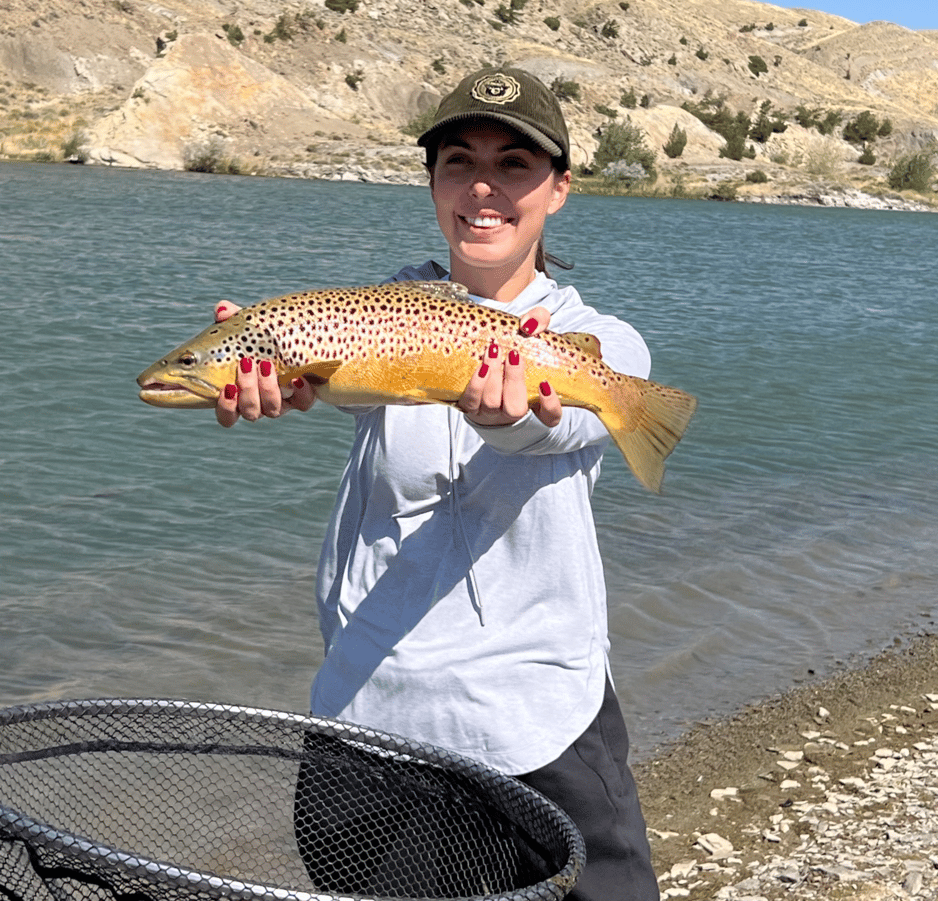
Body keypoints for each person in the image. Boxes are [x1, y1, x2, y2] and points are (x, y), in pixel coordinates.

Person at [213, 66, 660, 901]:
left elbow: (560, 426)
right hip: (368, 713)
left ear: (559, 189)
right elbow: (317, 371)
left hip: (533, 723)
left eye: (514, 165)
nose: (482, 188)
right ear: (431, 180)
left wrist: (504, 415)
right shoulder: (383, 307)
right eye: (459, 161)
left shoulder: (602, 344)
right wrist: (273, 363)